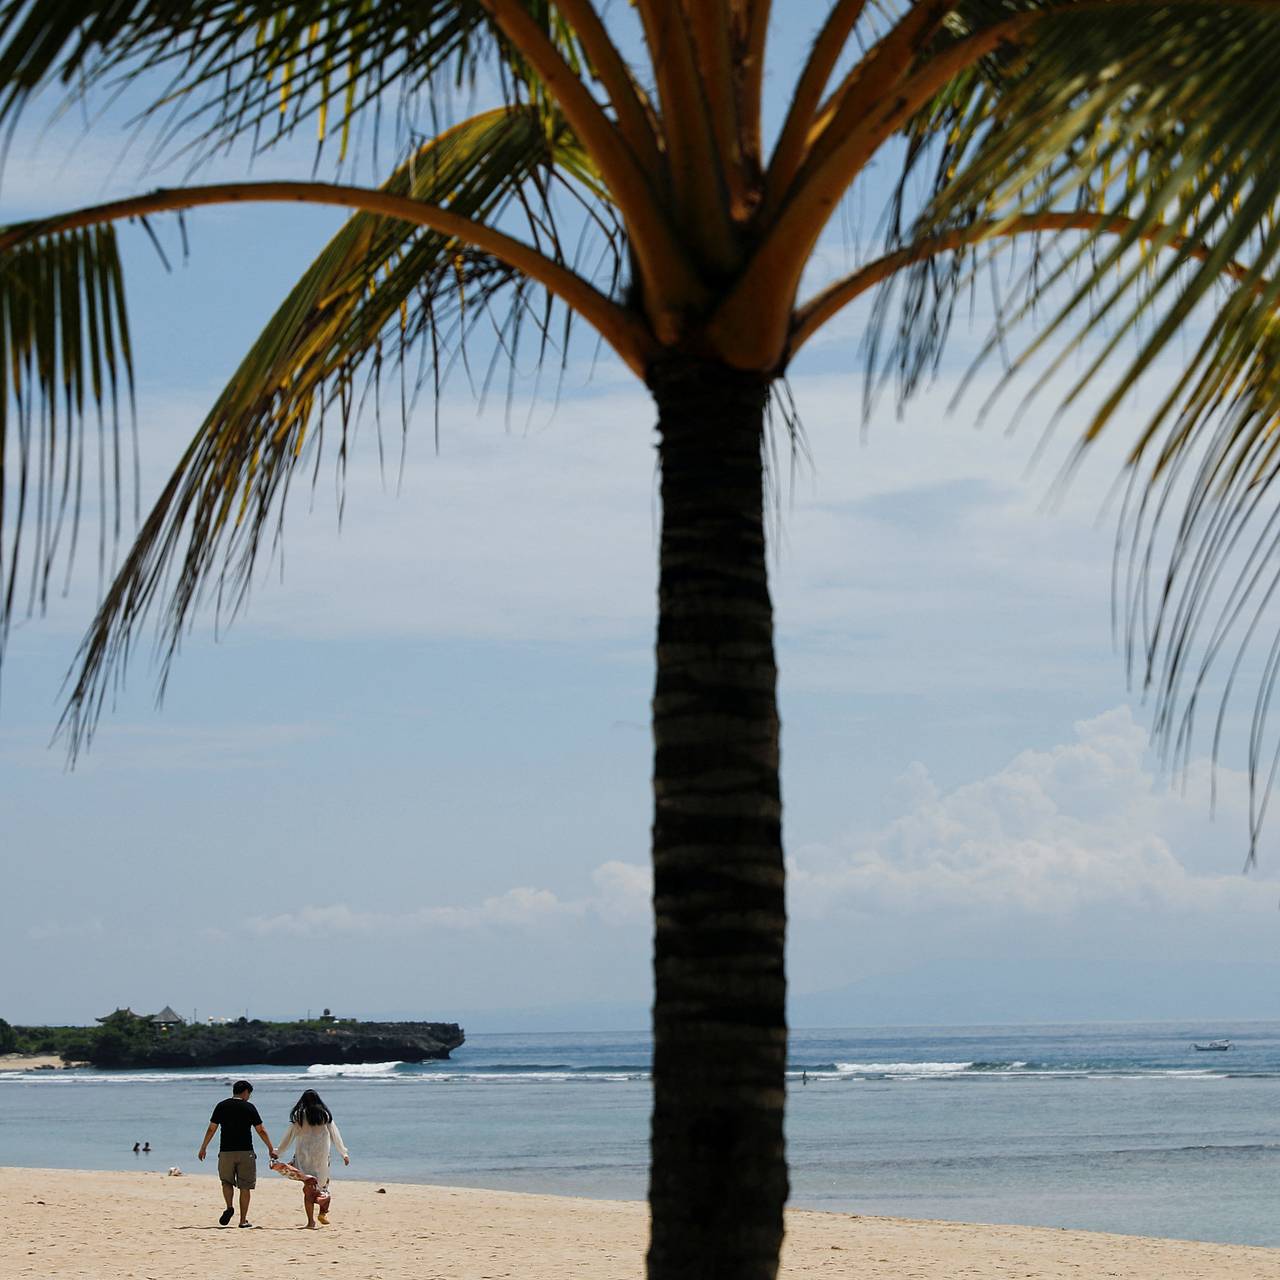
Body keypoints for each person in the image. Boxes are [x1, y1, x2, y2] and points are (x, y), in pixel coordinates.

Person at [197, 1080, 276, 1228]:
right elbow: (261, 1130)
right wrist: (271, 1148)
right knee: (245, 1186)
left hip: (226, 1151)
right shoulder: (249, 1107)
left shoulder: (221, 1106)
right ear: (245, 1091)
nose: (249, 1096)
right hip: (246, 1152)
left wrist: (203, 1147)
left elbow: (211, 1129)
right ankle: (242, 1220)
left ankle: (229, 1207)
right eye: (249, 1094)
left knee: (226, 1182)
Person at [273, 1089, 349, 1228]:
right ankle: (322, 1212)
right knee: (323, 1187)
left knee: (309, 1188)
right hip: (321, 1159)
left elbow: (289, 1136)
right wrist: (343, 1153)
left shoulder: (299, 1116)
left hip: (304, 1158)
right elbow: (335, 1135)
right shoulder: (325, 1115)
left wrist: (277, 1152)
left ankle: (310, 1221)